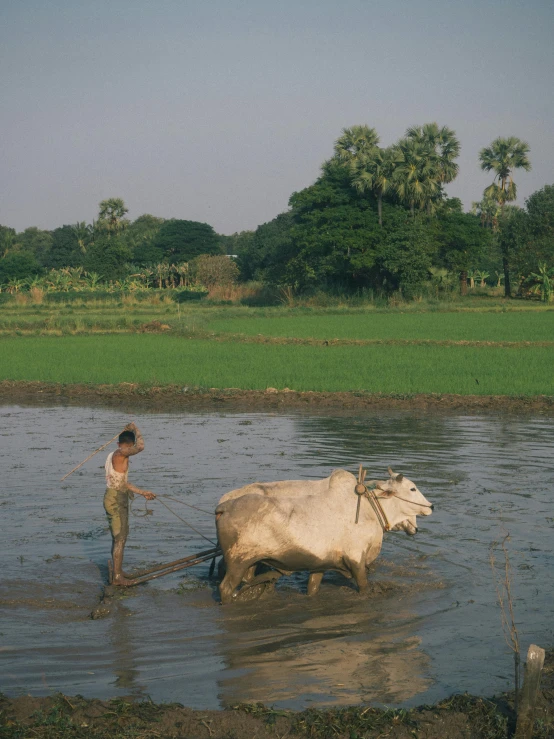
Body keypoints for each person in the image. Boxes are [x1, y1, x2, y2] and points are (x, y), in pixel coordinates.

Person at [104, 422, 156, 586]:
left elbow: (123, 482)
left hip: (116, 496)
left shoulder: (118, 455)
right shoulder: (120, 454)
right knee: (120, 538)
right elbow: (140, 447)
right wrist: (136, 429)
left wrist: (143, 492)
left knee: (120, 537)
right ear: (126, 446)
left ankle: (118, 572)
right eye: (130, 447)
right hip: (115, 500)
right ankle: (118, 578)